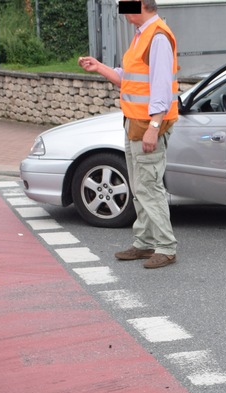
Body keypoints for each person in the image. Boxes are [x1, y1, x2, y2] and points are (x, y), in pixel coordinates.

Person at [78, 0, 178, 269]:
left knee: (149, 187)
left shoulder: (157, 36)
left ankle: (166, 247)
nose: (121, 8)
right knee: (139, 187)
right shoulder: (142, 35)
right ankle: (144, 243)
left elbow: (161, 88)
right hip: (134, 123)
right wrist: (99, 67)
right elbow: (130, 79)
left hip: (147, 125)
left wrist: (154, 128)